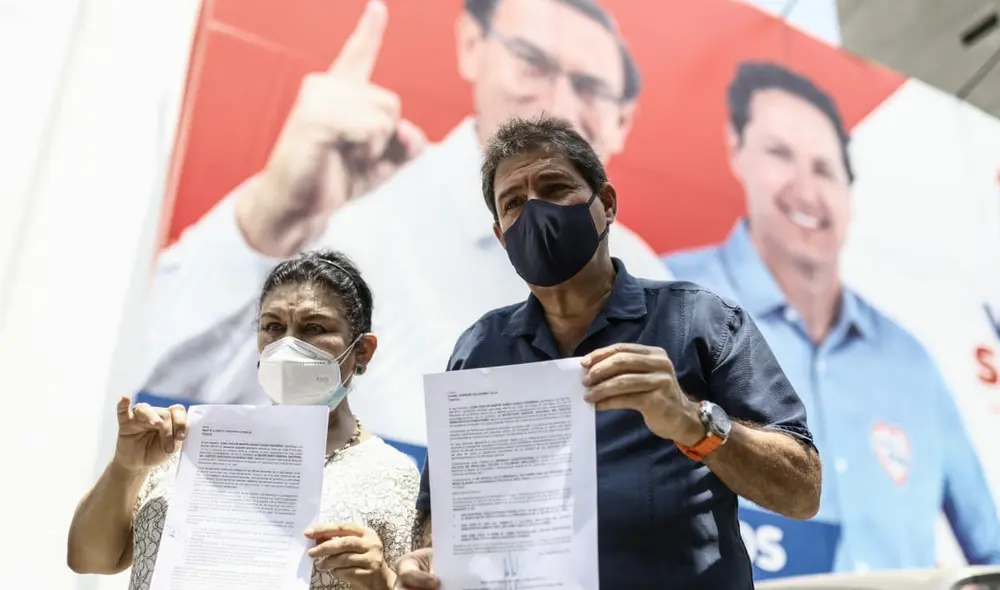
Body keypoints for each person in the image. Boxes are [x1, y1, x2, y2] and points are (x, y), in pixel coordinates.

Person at [136, 0, 670, 461]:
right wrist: (272, 219)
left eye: (592, 87)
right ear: (470, 45)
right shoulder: (355, 215)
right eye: (531, 62)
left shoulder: (654, 286)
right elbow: (156, 393)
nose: (558, 101)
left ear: (623, 121)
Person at [393, 115, 822, 590]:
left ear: (608, 204)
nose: (536, 211)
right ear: (500, 235)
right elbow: (445, 510)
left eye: (555, 188)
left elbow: (802, 492)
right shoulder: (479, 351)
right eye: (514, 203)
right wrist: (431, 556)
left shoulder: (700, 321)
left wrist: (693, 422)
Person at [663, 61, 1000, 573]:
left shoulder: (908, 361)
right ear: (736, 152)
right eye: (780, 154)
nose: (807, 190)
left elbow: (989, 552)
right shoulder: (674, 305)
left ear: (848, 191)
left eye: (825, 169)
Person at [67, 250, 421, 590]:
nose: (287, 345)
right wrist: (127, 467)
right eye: (273, 326)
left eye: (314, 328)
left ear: (362, 350)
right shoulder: (188, 443)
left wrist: (383, 581)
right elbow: (88, 558)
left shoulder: (392, 476)